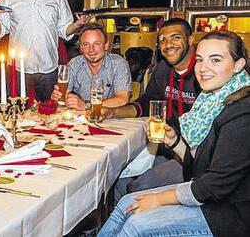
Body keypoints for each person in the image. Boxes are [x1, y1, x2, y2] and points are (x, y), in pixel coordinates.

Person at [98, 31, 250, 237]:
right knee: (127, 202)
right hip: (210, 198)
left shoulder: (242, 111)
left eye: (215, 60)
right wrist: (175, 141)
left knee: (136, 223)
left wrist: (159, 199)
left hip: (229, 213)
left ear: (238, 65)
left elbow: (214, 185)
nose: (203, 69)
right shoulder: (213, 101)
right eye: (199, 60)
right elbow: (202, 164)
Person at [105, 18, 201, 199]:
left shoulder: (204, 72)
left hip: (195, 156)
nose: (168, 45)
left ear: (190, 39)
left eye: (175, 38)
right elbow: (148, 102)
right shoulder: (163, 69)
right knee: (118, 177)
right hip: (167, 148)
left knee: (139, 187)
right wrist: (113, 112)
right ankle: (117, 225)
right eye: (163, 40)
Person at [50, 23, 131, 110]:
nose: (91, 50)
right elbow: (64, 94)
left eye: (96, 44)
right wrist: (58, 96)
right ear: (81, 47)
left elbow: (123, 99)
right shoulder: (74, 64)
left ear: (106, 45)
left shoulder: (118, 64)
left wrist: (87, 106)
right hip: (81, 119)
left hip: (110, 118)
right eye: (86, 44)